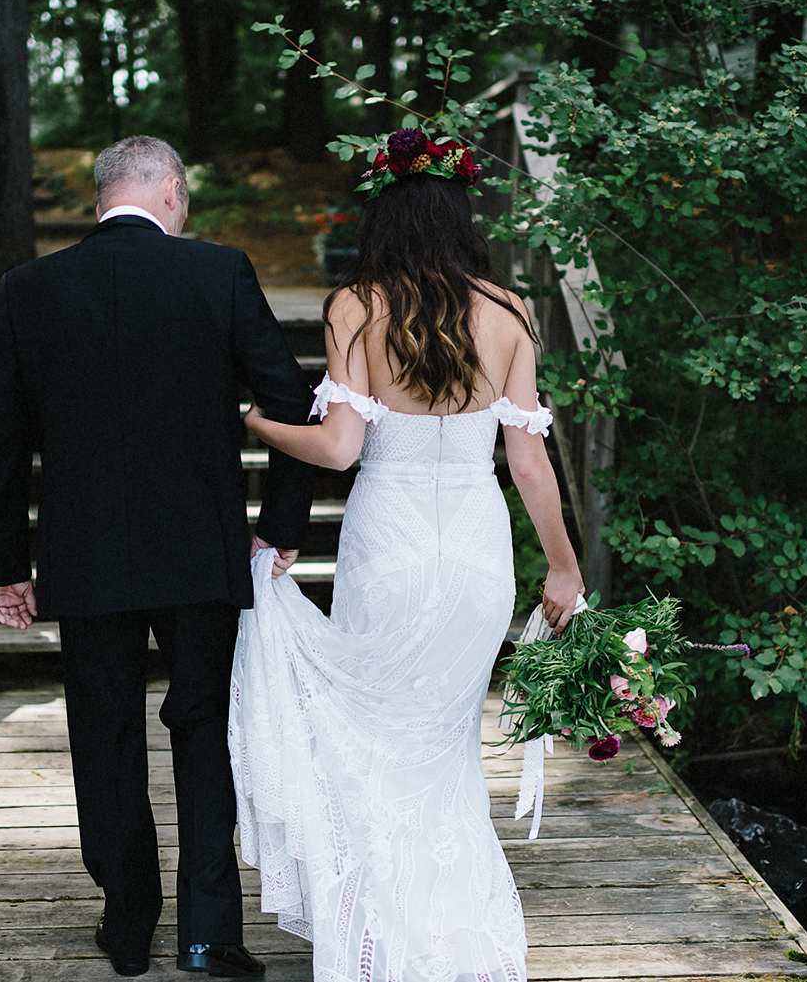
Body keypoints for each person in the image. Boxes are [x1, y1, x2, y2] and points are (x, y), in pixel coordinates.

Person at [230, 130, 585, 982]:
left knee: (380, 736)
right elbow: (529, 463)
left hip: (386, 544)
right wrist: (565, 566)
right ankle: (454, 935)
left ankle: (380, 937)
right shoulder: (509, 312)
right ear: (461, 218)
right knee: (444, 746)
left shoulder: (355, 305)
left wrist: (250, 419)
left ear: (384, 217)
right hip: (473, 550)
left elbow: (341, 449)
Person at [0, 135, 315, 979]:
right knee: (202, 731)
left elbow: (1, 444)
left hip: (84, 560)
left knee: (104, 734)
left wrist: (4, 564)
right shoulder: (218, 273)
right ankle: (208, 936)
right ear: (170, 191)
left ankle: (127, 926)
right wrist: (278, 523)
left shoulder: (29, 290)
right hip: (199, 552)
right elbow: (294, 404)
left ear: (100, 199)